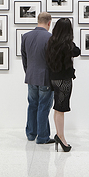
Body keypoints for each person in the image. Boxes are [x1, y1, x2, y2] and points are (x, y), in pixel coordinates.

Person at [45, 18, 81, 152]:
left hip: (53, 79)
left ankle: (59, 135)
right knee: (61, 109)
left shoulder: (51, 42)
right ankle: (61, 137)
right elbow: (77, 51)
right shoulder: (68, 45)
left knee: (57, 108)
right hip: (64, 81)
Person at [21, 12, 55, 144]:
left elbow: (24, 59)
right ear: (49, 23)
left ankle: (30, 134)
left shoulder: (26, 36)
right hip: (45, 77)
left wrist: (28, 72)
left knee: (32, 105)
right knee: (43, 107)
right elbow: (52, 61)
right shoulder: (50, 37)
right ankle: (42, 137)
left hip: (31, 76)